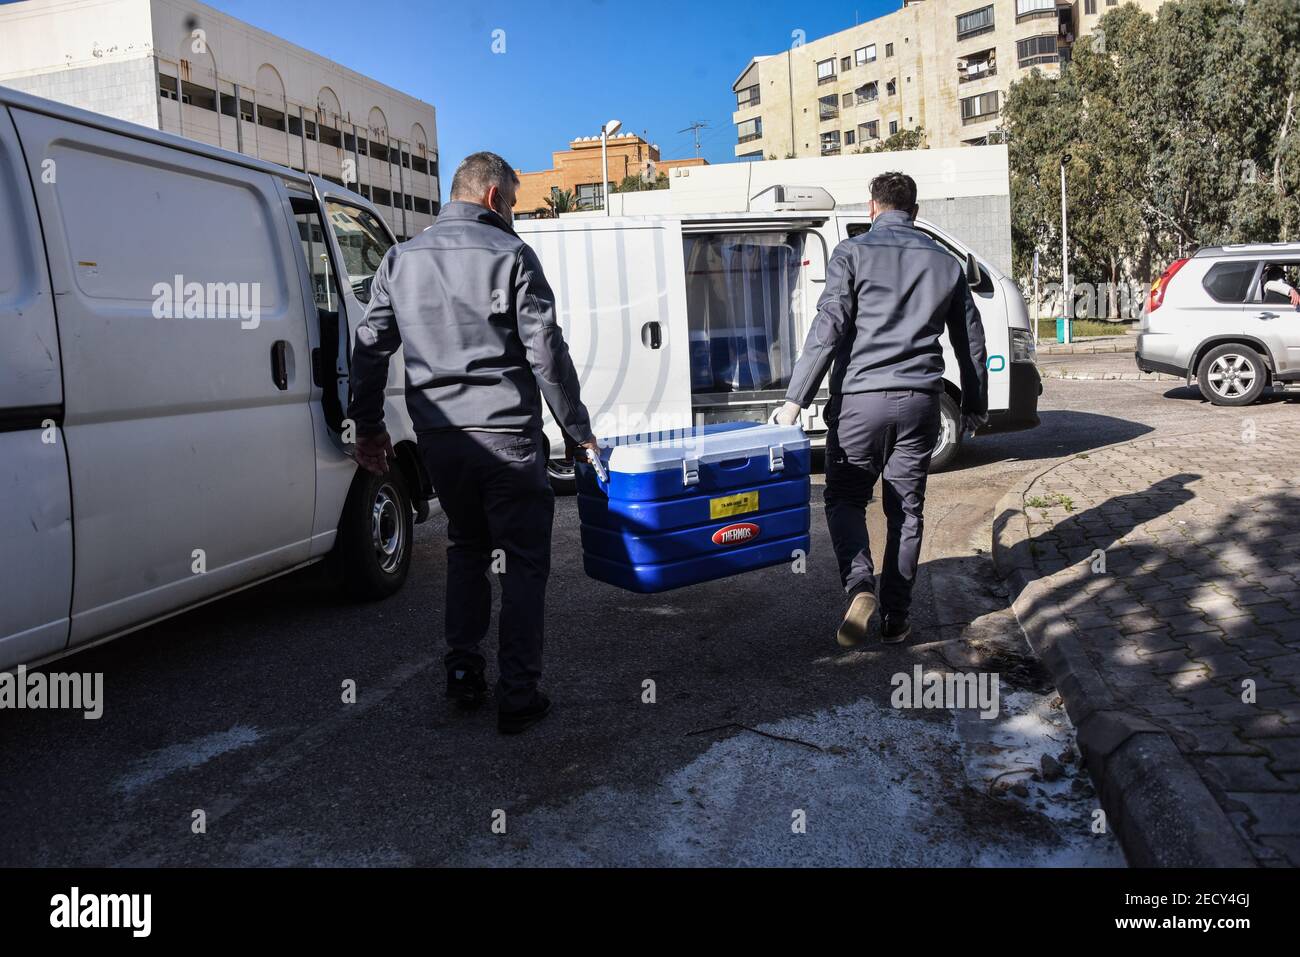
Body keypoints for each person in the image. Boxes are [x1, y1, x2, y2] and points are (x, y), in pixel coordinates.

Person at [347, 151, 597, 734]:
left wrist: (368, 427)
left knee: (466, 548)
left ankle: (463, 672)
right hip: (507, 436)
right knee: (525, 565)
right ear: (492, 198)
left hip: (441, 441)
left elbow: (368, 347)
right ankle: (518, 695)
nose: (512, 212)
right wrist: (578, 432)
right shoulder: (511, 255)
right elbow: (546, 355)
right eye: (511, 201)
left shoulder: (400, 259)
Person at [773, 171, 988, 646]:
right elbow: (970, 339)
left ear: (873, 207)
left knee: (846, 498)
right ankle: (896, 616)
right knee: (906, 512)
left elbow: (828, 327)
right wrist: (975, 405)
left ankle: (859, 585)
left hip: (859, 404)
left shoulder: (851, 253)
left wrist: (795, 400)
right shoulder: (945, 262)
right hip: (920, 404)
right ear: (915, 210)